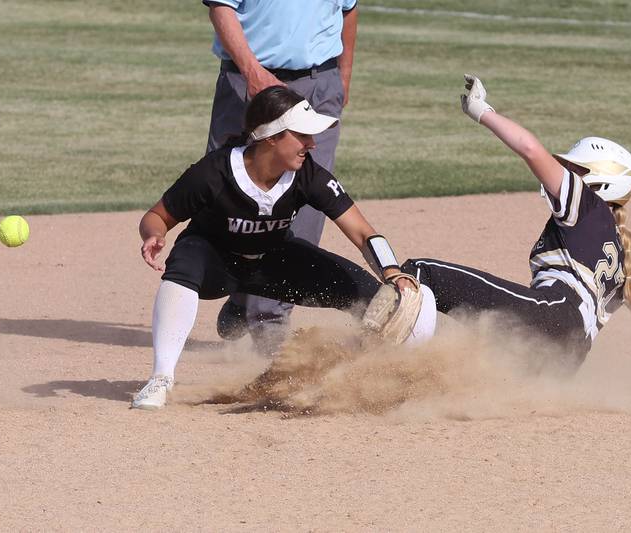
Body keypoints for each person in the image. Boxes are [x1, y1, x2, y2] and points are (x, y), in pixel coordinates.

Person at [398, 74, 631, 379]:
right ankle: (410, 374)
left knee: (423, 271)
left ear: (602, 181)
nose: (564, 173)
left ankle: (389, 362)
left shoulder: (586, 204)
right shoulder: (624, 260)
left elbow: (530, 149)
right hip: (565, 362)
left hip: (552, 316)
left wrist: (482, 111)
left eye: (575, 169)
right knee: (467, 365)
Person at [132, 86, 418, 410]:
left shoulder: (308, 174)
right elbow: (157, 216)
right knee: (183, 260)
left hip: (273, 264)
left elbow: (362, 232)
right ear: (270, 136)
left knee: (372, 294)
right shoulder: (213, 172)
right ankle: (160, 379)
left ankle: (386, 376)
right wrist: (154, 235)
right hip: (215, 263)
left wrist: (392, 271)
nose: (311, 144)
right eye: (302, 136)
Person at [203, 0, 358, 355]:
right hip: (249, 83)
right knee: (232, 191)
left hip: (319, 85)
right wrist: (252, 71)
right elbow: (221, 8)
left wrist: (343, 75)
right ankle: (243, 289)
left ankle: (270, 320)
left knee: (306, 199)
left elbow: (349, 9)